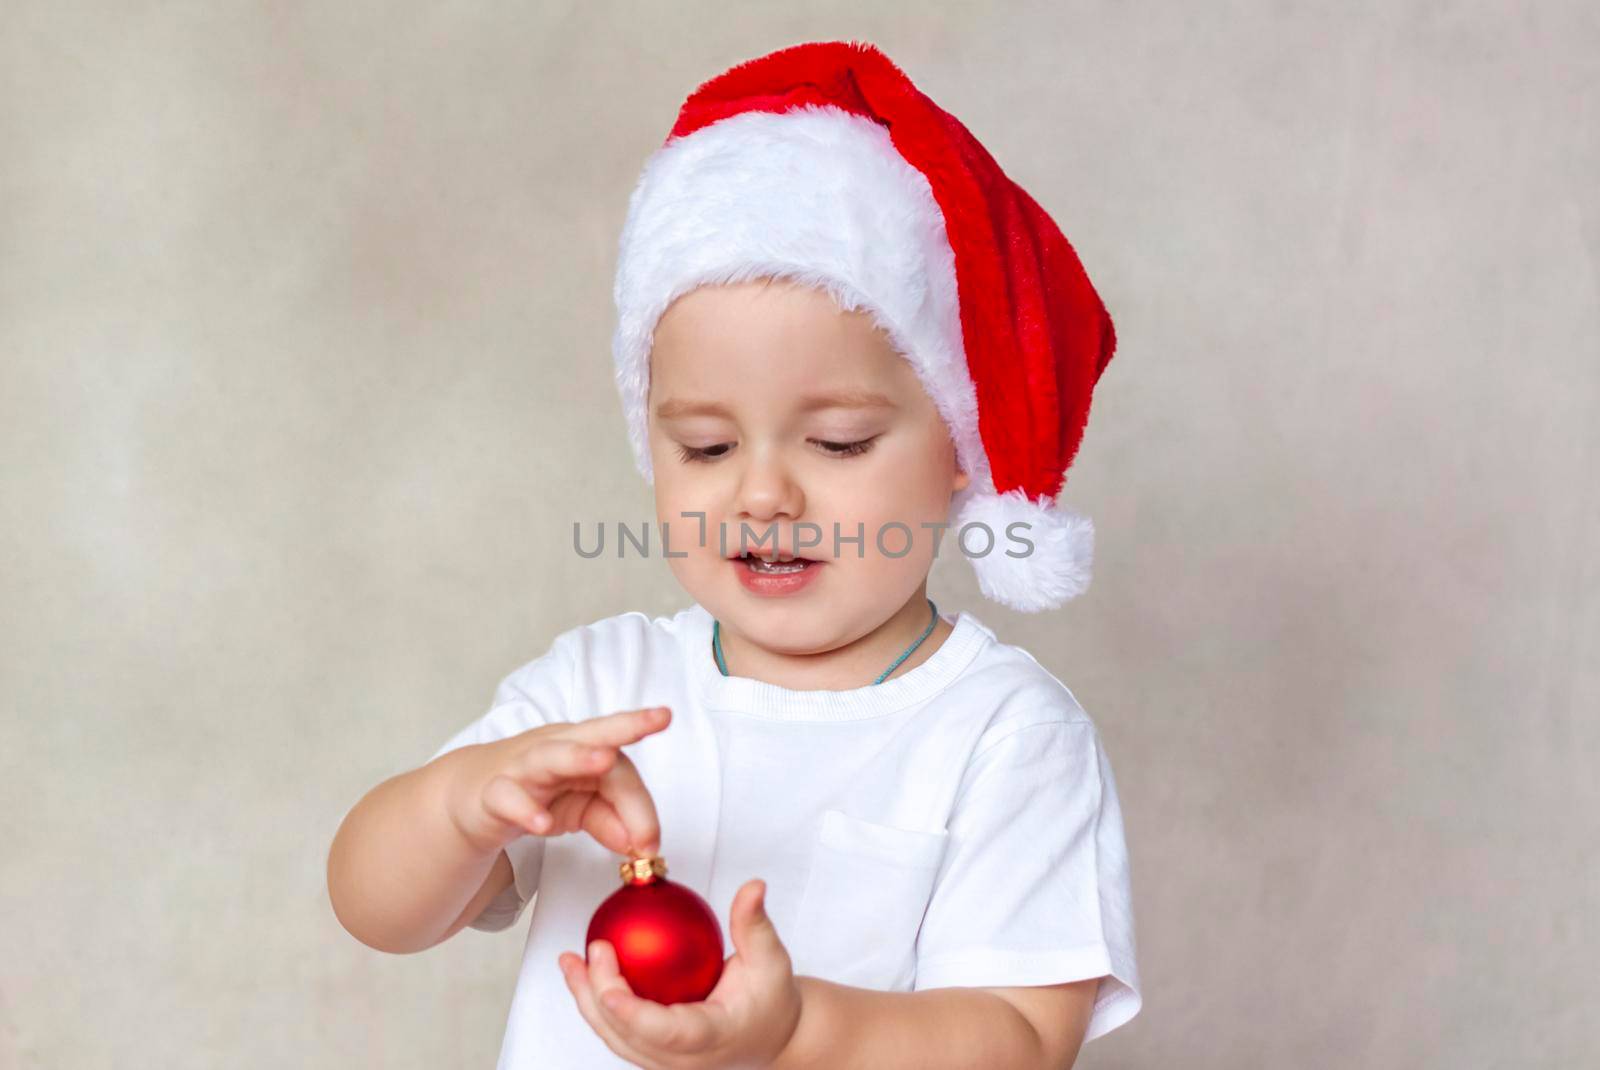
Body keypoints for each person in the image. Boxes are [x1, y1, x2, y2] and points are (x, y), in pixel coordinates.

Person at [327, 39, 1141, 1069]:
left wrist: (796, 1028)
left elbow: (1020, 1040)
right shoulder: (601, 687)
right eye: (706, 446)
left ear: (959, 452)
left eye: (838, 441)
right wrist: (458, 805)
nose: (761, 493)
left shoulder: (1001, 733)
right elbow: (375, 906)